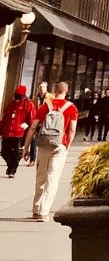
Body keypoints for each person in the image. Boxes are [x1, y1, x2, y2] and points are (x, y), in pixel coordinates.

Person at [23, 80, 77, 221]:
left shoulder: (46, 106)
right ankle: (44, 211)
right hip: (59, 145)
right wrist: (67, 146)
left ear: (54, 91)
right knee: (52, 179)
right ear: (66, 92)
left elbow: (33, 127)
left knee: (41, 177)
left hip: (44, 144)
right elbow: (72, 130)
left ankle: (36, 208)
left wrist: (26, 146)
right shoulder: (72, 108)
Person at [2, 85, 35, 178]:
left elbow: (31, 120)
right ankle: (11, 165)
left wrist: (25, 128)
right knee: (4, 152)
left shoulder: (28, 105)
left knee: (16, 153)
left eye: (18, 95)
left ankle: (12, 169)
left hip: (19, 133)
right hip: (8, 132)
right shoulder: (11, 104)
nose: (16, 97)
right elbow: (5, 118)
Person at [26, 82, 47, 165]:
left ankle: (42, 159)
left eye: (43, 87)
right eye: (40, 87)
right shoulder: (34, 99)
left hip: (46, 123)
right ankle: (32, 159)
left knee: (45, 141)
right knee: (33, 140)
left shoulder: (50, 98)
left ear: (46, 88)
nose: (42, 89)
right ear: (38, 88)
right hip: (36, 121)